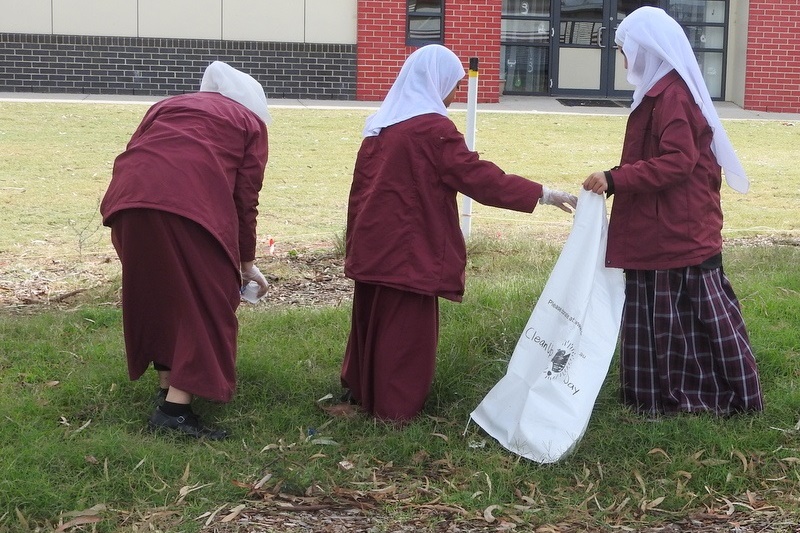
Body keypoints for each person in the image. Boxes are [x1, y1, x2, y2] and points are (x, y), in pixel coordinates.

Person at [340, 44, 578, 423]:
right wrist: (543, 194)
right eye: (453, 85)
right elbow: (479, 179)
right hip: (409, 249)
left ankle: (361, 389)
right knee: (405, 333)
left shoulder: (380, 126)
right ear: (436, 83)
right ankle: (393, 410)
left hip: (373, 243)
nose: (453, 95)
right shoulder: (432, 129)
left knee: (372, 319)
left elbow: (360, 191)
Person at [582, 7, 763, 416]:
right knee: (659, 313)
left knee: (685, 319)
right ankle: (654, 395)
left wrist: (615, 179)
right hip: (662, 222)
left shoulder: (674, 96)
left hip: (679, 226)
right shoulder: (660, 92)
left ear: (646, 50)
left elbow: (679, 161)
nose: (624, 59)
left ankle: (708, 397)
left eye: (625, 50)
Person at [100, 61, 271, 439]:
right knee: (204, 300)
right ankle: (174, 412)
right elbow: (245, 199)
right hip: (187, 206)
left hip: (127, 202)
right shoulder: (249, 123)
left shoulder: (166, 106)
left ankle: (167, 384)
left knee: (159, 292)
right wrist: (246, 264)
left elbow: (137, 150)